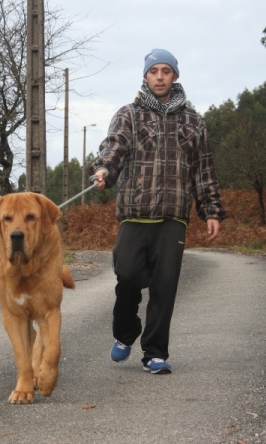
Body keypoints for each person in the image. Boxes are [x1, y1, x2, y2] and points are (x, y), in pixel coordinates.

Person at [89, 48, 226, 374]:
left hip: (173, 216)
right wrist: (104, 170)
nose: (160, 76)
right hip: (135, 213)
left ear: (174, 76)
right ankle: (125, 332)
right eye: (154, 71)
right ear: (146, 76)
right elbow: (114, 146)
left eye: (166, 71)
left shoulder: (194, 121)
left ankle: (154, 352)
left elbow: (203, 170)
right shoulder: (130, 114)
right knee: (128, 276)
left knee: (165, 286)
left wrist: (212, 210)